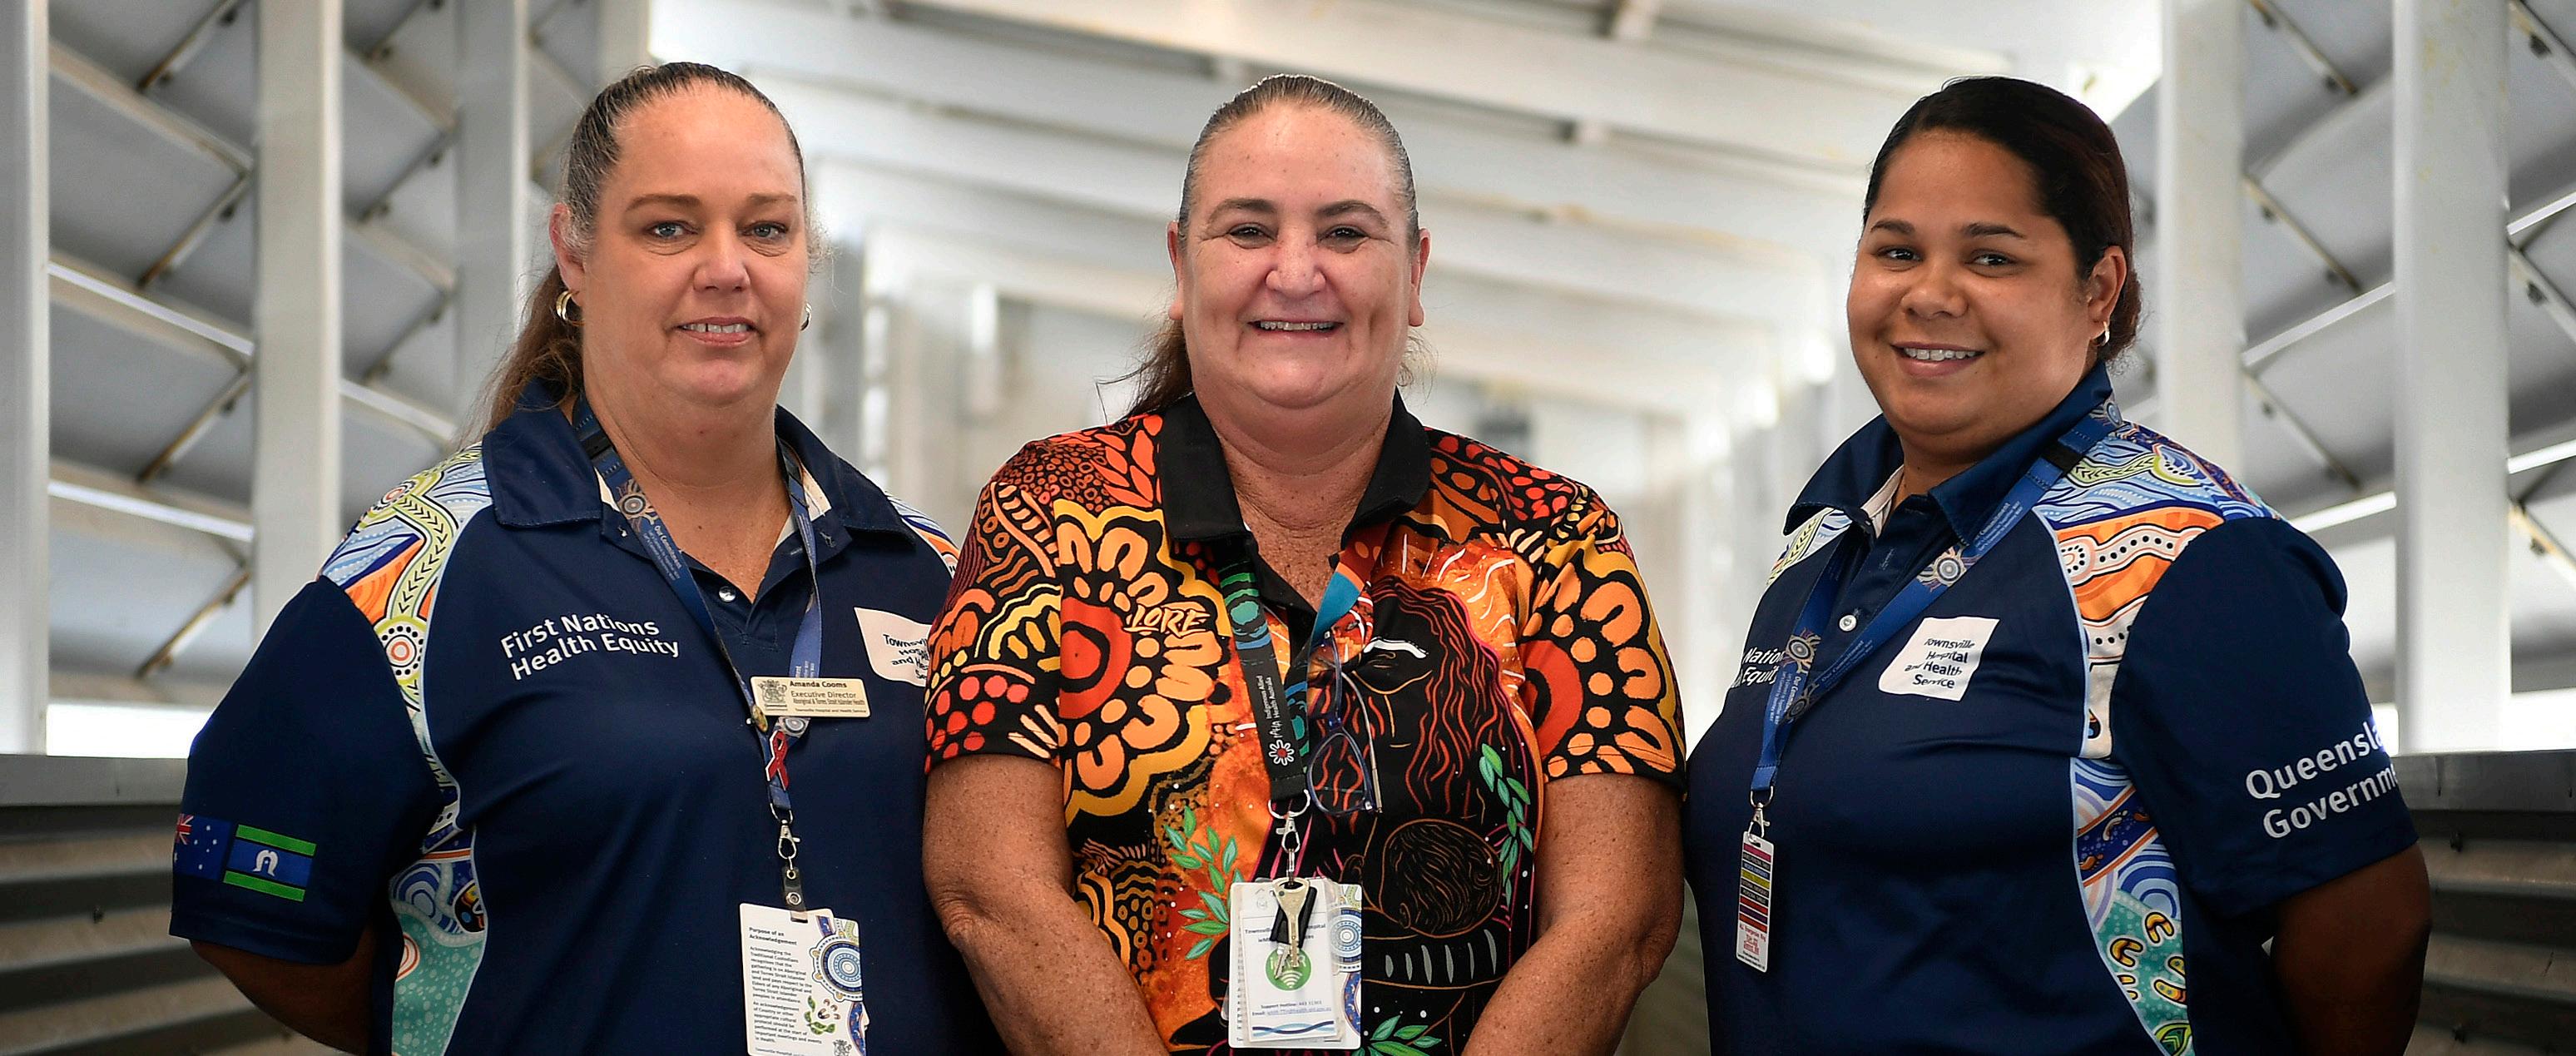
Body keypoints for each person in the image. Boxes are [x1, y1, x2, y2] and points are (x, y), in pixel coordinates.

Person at [170, 62, 998, 1054]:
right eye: (670, 228)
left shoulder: (932, 568)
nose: (726, 267)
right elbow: (256, 917)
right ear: (575, 252)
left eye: (766, 229)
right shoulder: (423, 568)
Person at [919, 74, 1687, 1054]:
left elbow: (1618, 921)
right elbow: (990, 888)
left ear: (1414, 273)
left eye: (1345, 233)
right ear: (1182, 265)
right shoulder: (1049, 513)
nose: (1295, 271)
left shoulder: (1556, 538)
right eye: (1248, 230)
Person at [1683, 77, 2430, 1054]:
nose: (1929, 293)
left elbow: (2370, 923)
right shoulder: (1823, 539)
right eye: (1896, 250)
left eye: (1991, 257)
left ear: (2098, 291)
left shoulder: (2187, 556)